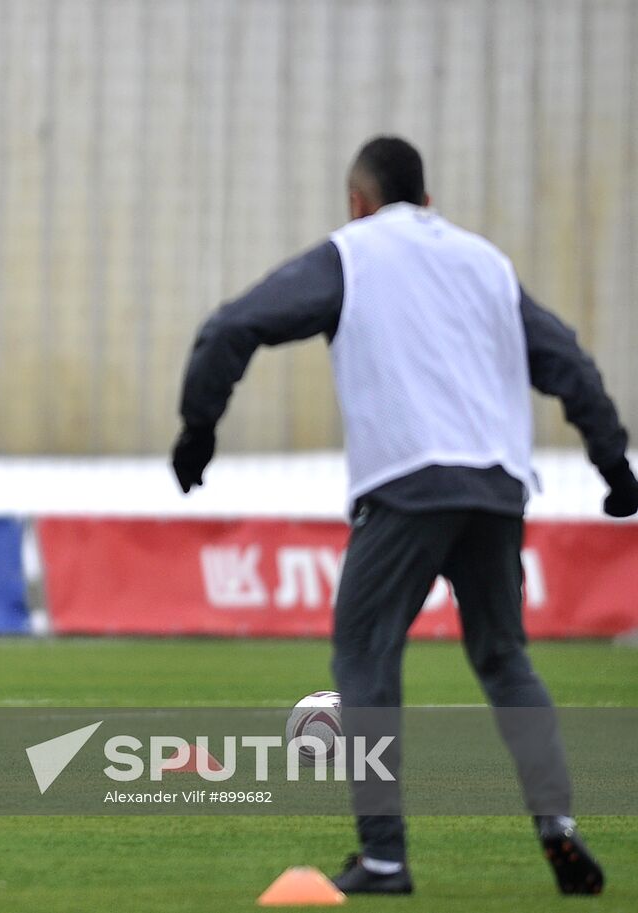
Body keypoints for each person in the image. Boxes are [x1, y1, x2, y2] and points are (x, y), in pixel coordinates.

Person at [172, 136, 634, 895]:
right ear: (427, 199)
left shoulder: (352, 253)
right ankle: (558, 825)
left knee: (365, 655)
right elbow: (569, 362)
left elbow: (231, 326)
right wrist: (614, 466)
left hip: (407, 483)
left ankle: (384, 854)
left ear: (358, 200)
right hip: (497, 485)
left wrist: (198, 432)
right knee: (503, 657)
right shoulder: (487, 263)